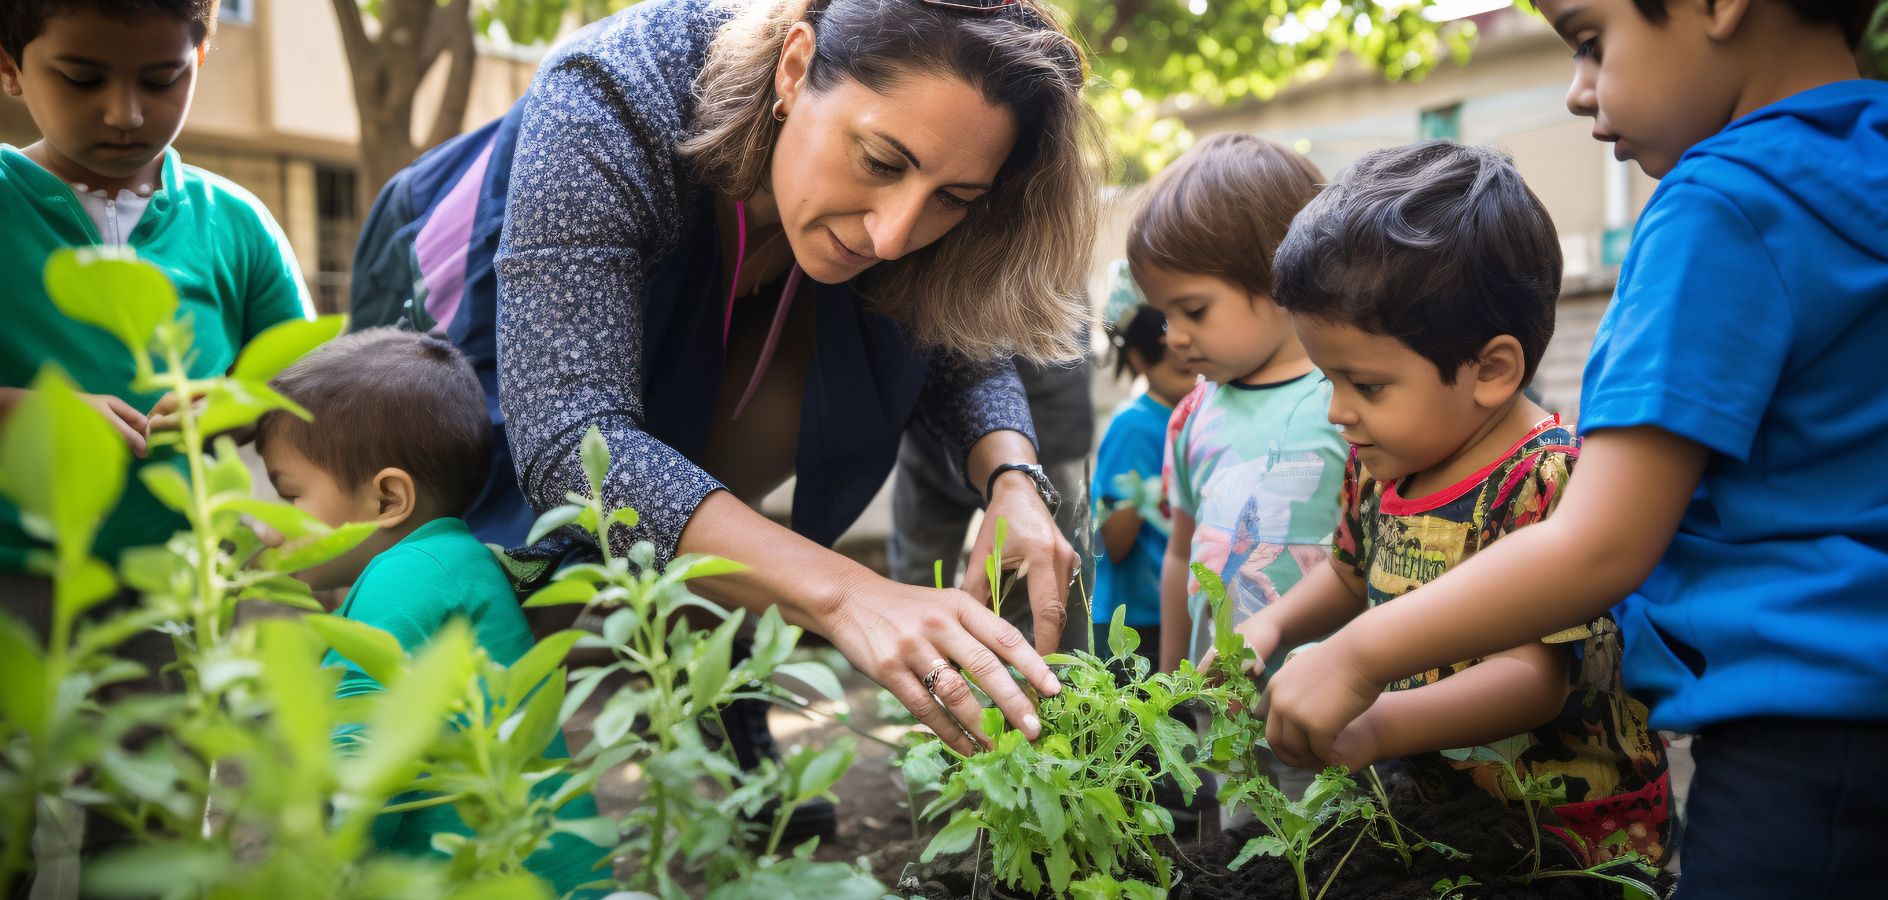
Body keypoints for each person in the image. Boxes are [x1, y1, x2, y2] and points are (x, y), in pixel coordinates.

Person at [1256, 2, 1886, 894]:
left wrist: (1354, 658)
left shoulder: (1722, 204)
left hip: (1805, 730)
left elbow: (1601, 542)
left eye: (1592, 43)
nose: (1578, 91)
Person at [400, 0, 1096, 763]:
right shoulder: (614, 94)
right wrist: (847, 595)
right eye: (881, 162)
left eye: (953, 200)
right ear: (795, 69)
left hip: (740, 312)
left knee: (702, 469)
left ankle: (719, 685)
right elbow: (570, 434)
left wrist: (1014, 480)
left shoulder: (894, 217)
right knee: (477, 558)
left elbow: (953, 336)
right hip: (461, 323)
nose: (894, 234)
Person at [1217, 142, 1669, 863]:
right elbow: (1346, 573)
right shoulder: (1380, 465)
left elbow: (1532, 681)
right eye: (1327, 378)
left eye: (1365, 385)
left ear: (1490, 370)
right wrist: (1269, 627)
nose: (1337, 411)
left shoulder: (1548, 480)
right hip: (1444, 804)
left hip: (1566, 830)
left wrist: (1378, 727)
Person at [255, 329, 605, 896]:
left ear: (388, 499)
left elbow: (359, 770)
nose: (269, 527)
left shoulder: (404, 574)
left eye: (290, 496)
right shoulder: (459, 561)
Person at [1, 0, 312, 576]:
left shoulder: (238, 222)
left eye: (162, 79)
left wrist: (240, 405)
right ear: (10, 67)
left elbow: (315, 385)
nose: (126, 114)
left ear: (198, 58)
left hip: (197, 587)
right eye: (83, 78)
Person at [1130, 134, 1347, 675]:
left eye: (1194, 311)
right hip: (1215, 719)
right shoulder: (1190, 415)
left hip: (1332, 711)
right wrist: (1171, 682)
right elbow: (1181, 553)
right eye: (1164, 317)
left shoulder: (1348, 401)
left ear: (1281, 277)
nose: (1174, 337)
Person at [885, 349, 1093, 650]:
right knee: (916, 579)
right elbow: (956, 350)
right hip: (928, 436)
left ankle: (1051, 687)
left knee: (1047, 588)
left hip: (1049, 423)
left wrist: (1017, 478)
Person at [1089, 276, 1194, 660]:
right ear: (1138, 358)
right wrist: (1149, 492)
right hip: (1130, 623)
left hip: (1181, 613)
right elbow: (1111, 544)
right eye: (1179, 368)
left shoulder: (1201, 419)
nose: (1191, 373)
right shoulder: (1132, 427)